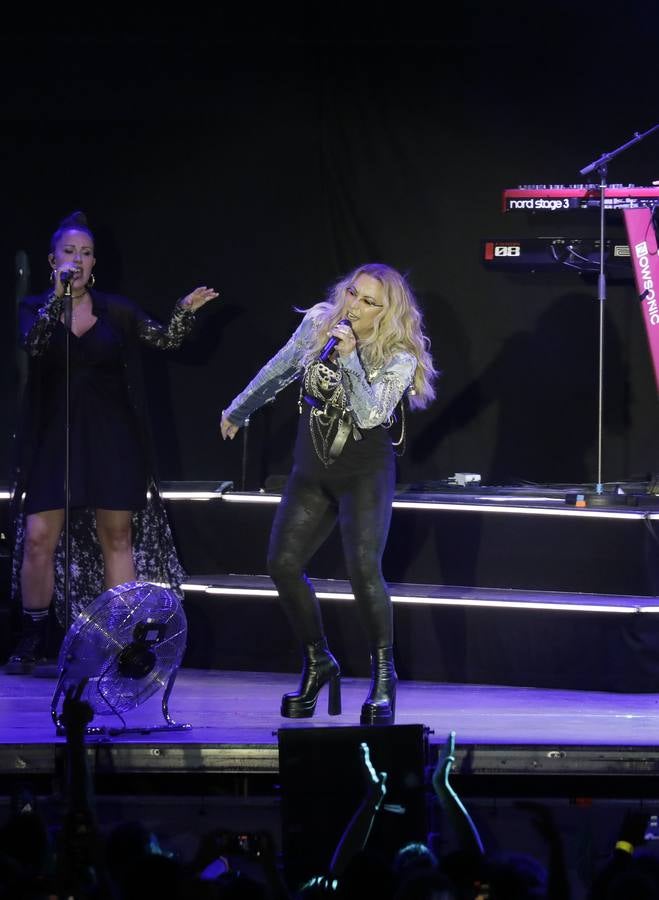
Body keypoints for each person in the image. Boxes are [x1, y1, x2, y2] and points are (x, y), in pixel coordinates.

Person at [220, 263, 438, 725]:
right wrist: (241, 408)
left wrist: (352, 357)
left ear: (387, 312)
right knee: (282, 564)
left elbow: (368, 415)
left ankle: (384, 678)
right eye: (353, 294)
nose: (353, 307)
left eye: (367, 302)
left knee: (363, 570)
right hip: (311, 470)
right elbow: (282, 365)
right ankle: (319, 661)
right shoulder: (320, 320)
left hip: (364, 474)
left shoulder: (398, 355)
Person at [6, 210, 218, 674]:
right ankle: (33, 635)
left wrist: (183, 313)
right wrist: (57, 299)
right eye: (68, 252)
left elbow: (162, 340)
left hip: (111, 437)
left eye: (84, 253)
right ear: (52, 259)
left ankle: (120, 637)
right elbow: (36, 343)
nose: (76, 260)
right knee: (40, 538)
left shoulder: (115, 310)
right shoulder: (33, 308)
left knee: (116, 536)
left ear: (94, 261)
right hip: (53, 438)